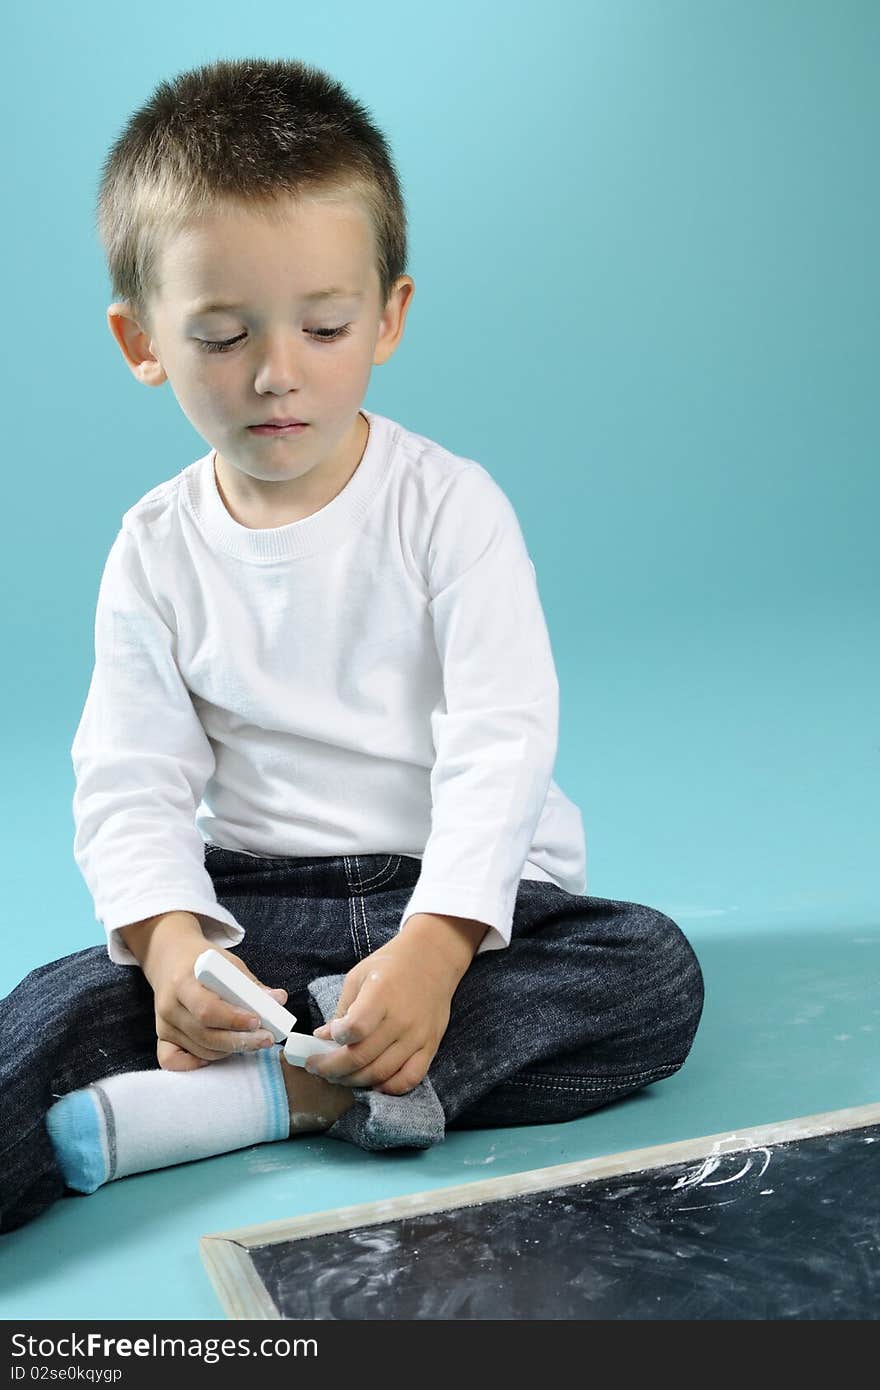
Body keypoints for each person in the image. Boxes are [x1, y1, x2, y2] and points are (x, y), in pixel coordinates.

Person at [0, 56, 704, 1234]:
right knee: (46, 1014)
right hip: (257, 912)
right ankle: (300, 1053)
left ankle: (283, 1096)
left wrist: (435, 948)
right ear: (142, 341)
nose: (278, 372)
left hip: (466, 901)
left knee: (652, 977)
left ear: (388, 314)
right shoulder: (154, 546)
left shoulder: (449, 507)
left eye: (324, 325)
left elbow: (501, 737)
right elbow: (130, 777)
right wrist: (176, 948)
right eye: (221, 335)